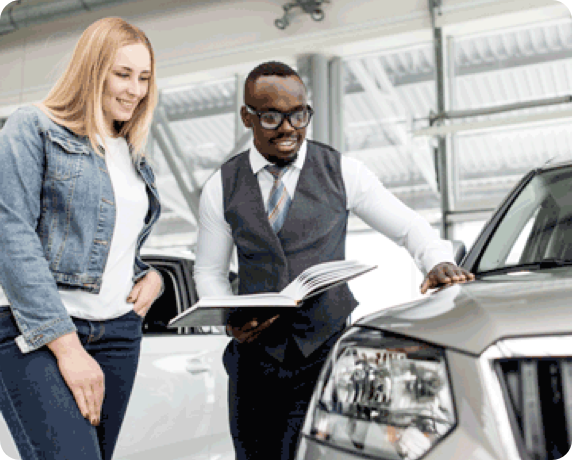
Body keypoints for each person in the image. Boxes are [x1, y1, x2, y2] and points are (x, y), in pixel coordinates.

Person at [194, 60, 475, 460]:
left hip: (324, 355)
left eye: (299, 115)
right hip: (253, 364)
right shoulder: (220, 186)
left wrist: (435, 260)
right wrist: (227, 316)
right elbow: (209, 271)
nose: (289, 128)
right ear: (247, 117)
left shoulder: (344, 171)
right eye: (272, 116)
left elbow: (409, 226)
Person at [0, 17, 163, 460]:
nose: (135, 89)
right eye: (123, 74)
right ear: (93, 71)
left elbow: (112, 243)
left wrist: (152, 277)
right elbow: (11, 236)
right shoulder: (33, 128)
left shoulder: (134, 155)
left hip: (118, 333)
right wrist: (67, 348)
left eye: (144, 78)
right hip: (37, 332)